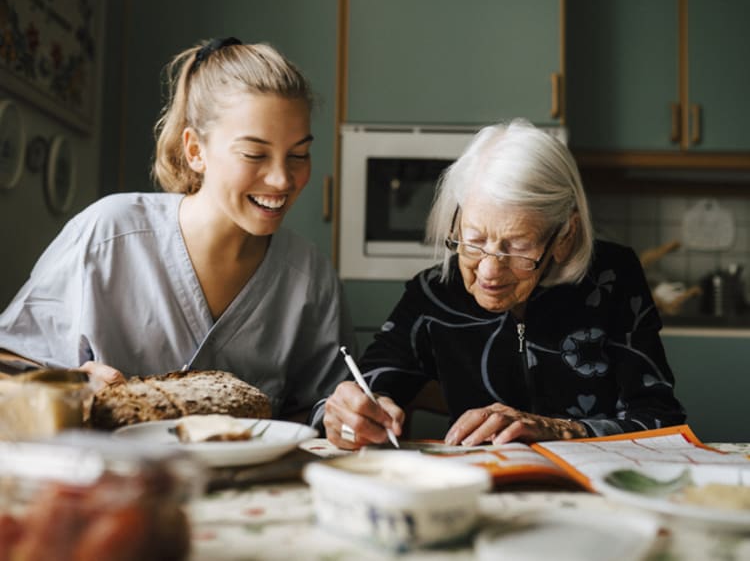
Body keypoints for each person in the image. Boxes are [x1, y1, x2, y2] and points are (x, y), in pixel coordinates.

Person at [0, 37, 354, 424]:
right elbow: (8, 364)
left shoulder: (310, 276)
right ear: (195, 151)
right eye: (254, 154)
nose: (282, 178)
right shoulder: (108, 233)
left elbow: (323, 407)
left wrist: (344, 416)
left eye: (299, 155)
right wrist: (70, 383)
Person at [324, 118, 686, 448]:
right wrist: (349, 415)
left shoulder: (613, 278)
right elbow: (365, 386)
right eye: (474, 240)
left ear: (564, 236)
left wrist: (561, 429)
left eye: (518, 246)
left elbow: (662, 421)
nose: (489, 272)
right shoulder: (435, 292)